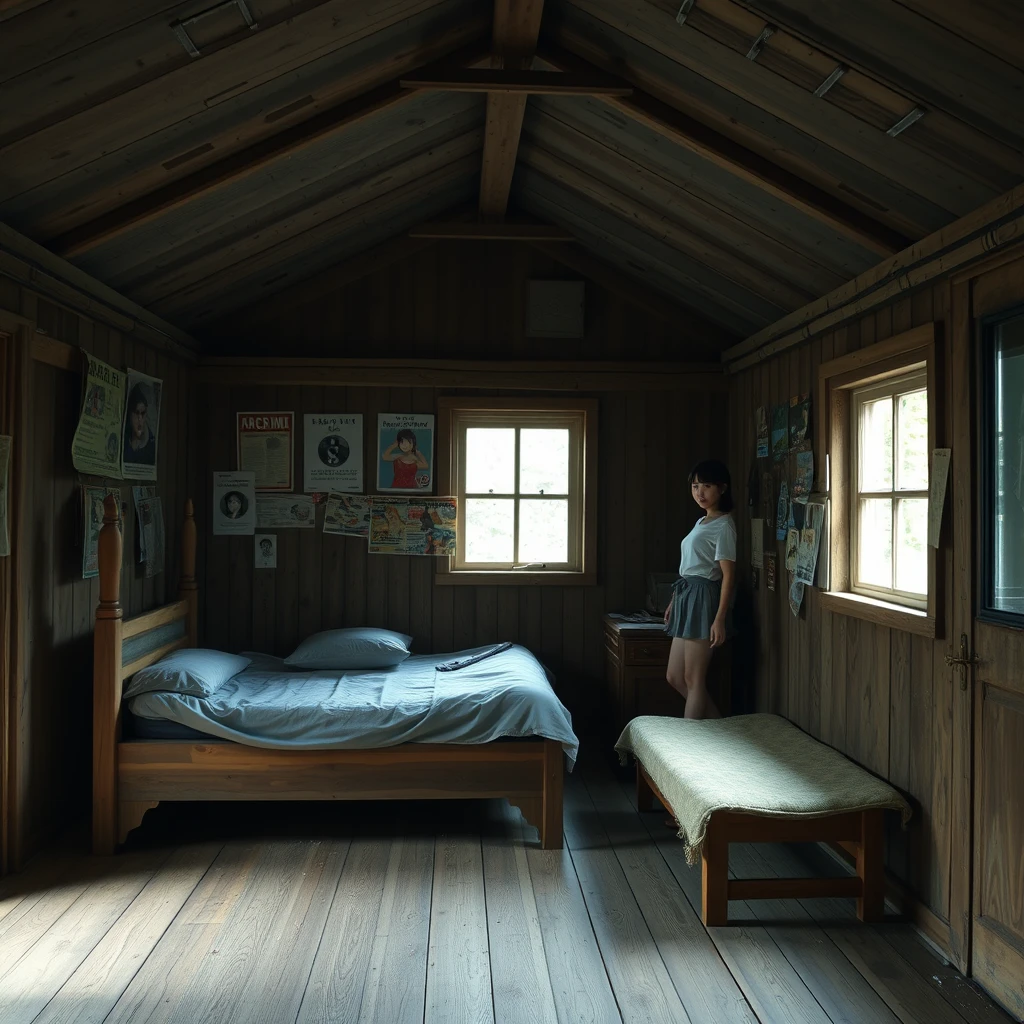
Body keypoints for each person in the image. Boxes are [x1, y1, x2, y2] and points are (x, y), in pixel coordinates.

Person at [663, 459, 737, 720]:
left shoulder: (724, 525)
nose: (700, 493)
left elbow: (728, 576)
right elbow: (689, 568)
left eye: (706, 486)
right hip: (686, 596)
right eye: (695, 486)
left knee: (693, 679)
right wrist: (675, 602)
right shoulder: (702, 521)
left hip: (704, 598)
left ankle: (691, 743)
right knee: (675, 676)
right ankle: (720, 729)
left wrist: (719, 619)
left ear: (722, 488)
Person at [123, 383, 156, 465]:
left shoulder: (150, 445)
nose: (140, 419)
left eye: (143, 413)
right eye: (136, 413)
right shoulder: (124, 439)